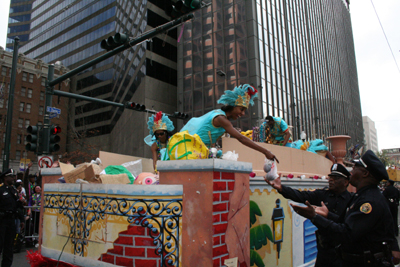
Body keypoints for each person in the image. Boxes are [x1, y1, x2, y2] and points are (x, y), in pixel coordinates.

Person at [291, 150, 400, 267]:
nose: (351, 170)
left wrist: (314, 217)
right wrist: (328, 215)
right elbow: (346, 223)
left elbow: (346, 234)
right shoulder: (361, 196)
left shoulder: (369, 202)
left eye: (355, 167)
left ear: (365, 174)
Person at [266, 163, 352, 267]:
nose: (330, 180)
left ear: (346, 182)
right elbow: (301, 196)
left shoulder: (352, 200)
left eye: (335, 178)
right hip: (324, 252)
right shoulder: (322, 194)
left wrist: (328, 215)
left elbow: (348, 226)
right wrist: (281, 188)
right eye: (330, 177)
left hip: (343, 254)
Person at [175, 84, 278, 161]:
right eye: (241, 109)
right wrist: (266, 151)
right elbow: (241, 138)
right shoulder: (221, 118)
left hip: (193, 150)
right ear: (232, 106)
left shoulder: (219, 115)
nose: (242, 114)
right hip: (186, 151)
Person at [0, 169, 24, 267]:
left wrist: (21, 219)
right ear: (5, 178)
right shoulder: (1, 190)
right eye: (11, 176)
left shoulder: (13, 190)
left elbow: (17, 206)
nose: (13, 178)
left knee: (9, 247)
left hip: (11, 221)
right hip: (1, 221)